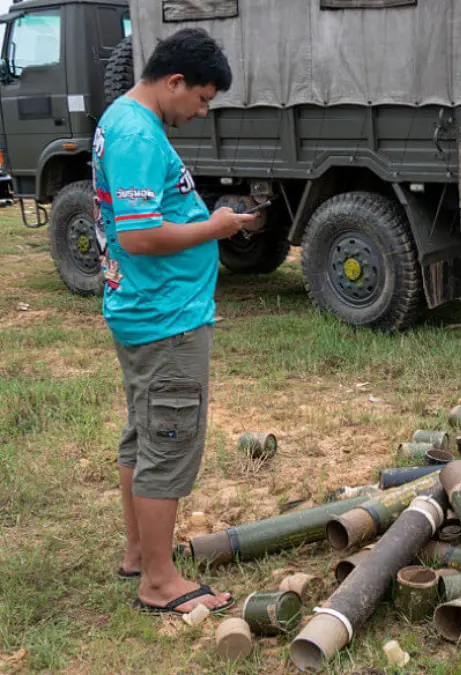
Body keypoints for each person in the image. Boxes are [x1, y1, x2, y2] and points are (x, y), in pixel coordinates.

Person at [94, 28, 256, 615]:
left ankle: (141, 554)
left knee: (144, 431)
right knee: (169, 438)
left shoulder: (123, 118)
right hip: (165, 317)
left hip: (146, 310)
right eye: (203, 98)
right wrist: (215, 228)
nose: (202, 111)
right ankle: (159, 584)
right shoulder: (139, 133)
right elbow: (139, 236)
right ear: (175, 81)